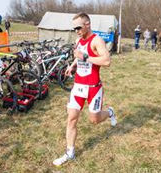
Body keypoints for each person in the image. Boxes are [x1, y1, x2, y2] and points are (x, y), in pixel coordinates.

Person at [52, 12, 117, 167]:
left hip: (93, 88)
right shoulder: (78, 40)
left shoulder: (97, 41)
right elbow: (78, 55)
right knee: (72, 119)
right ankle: (70, 152)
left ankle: (110, 113)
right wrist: (72, 66)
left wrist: (86, 57)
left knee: (94, 120)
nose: (76, 31)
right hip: (78, 86)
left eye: (78, 27)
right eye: (74, 28)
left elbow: (106, 61)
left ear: (87, 24)